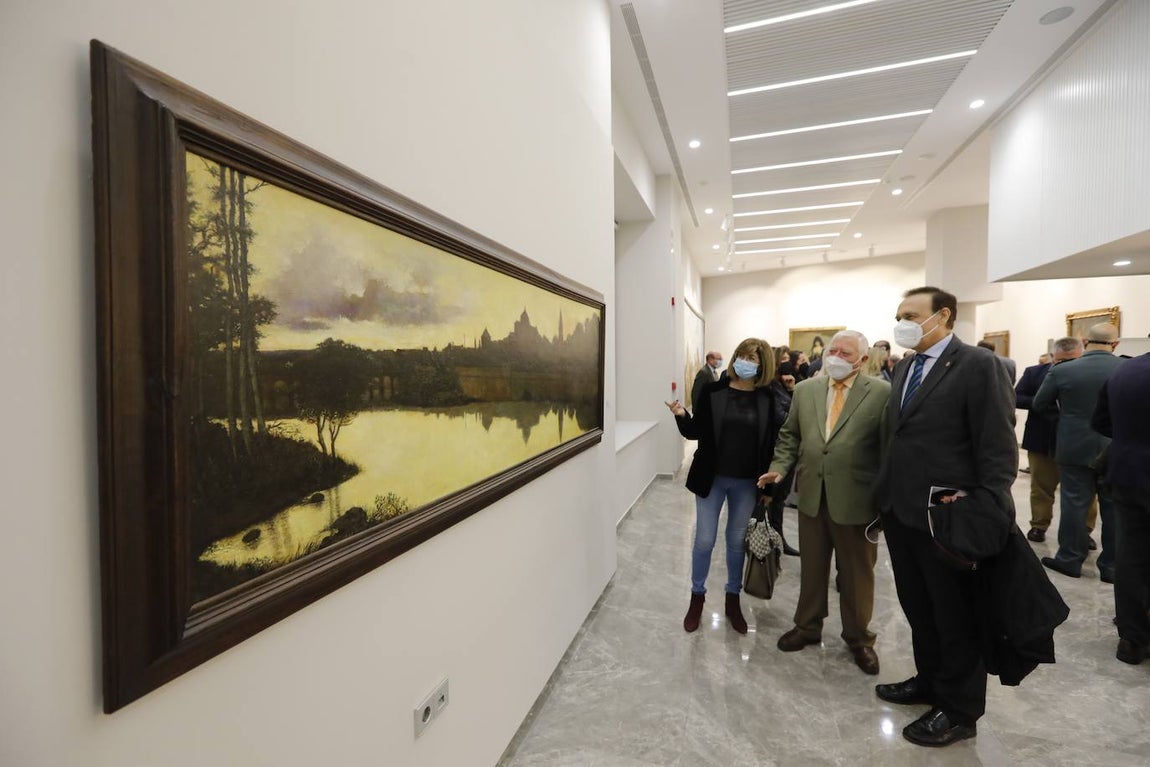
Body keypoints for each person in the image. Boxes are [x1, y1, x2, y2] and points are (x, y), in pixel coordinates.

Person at [873, 286, 1017, 747]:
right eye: (899, 315)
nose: (903, 323)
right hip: (902, 511)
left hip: (948, 515)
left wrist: (983, 503)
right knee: (920, 607)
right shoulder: (906, 366)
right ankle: (930, 681)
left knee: (956, 614)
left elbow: (997, 444)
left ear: (944, 316)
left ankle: (959, 710)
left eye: (912, 315)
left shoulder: (978, 365)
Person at [758, 330, 890, 675]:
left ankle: (859, 639)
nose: (836, 357)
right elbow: (790, 436)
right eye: (833, 350)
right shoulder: (806, 390)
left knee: (857, 575)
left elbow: (890, 448)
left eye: (846, 353)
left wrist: (886, 500)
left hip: (858, 501)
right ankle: (807, 626)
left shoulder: (881, 394)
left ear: (863, 360)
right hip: (812, 497)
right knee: (813, 569)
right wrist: (779, 468)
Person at [665, 338, 777, 635]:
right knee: (704, 540)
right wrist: (681, 416)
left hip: (747, 482)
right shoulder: (713, 391)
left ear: (763, 364)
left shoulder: (767, 397)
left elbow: (771, 444)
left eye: (752, 358)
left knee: (736, 541)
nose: (744, 362)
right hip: (711, 478)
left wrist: (768, 490)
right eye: (741, 355)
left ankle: (732, 598)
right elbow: (695, 431)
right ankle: (697, 597)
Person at [1033, 323, 1124, 582]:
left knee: (1074, 503)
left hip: (1073, 445)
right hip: (1114, 447)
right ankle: (1112, 566)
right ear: (1115, 344)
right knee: (1113, 508)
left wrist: (1065, 421)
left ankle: (1070, 559)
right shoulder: (1126, 368)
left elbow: (1040, 404)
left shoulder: (1064, 370)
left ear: (1084, 342)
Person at [1092, 348, 1150, 664]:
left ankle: (1131, 638)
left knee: (1131, 556)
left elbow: (1101, 421)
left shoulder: (1125, 370)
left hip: (1128, 473)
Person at [1015, 338, 1084, 542]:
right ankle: (1039, 525)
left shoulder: (1087, 374)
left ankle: (1084, 531)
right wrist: (1043, 401)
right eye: (1061, 361)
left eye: (1072, 361)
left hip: (1078, 441)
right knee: (1041, 487)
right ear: (1053, 356)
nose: (1066, 366)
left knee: (1083, 491)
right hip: (1042, 438)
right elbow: (1017, 397)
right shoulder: (1034, 373)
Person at [765, 362, 800, 556]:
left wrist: (792, 389)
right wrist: (800, 421)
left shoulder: (784, 389)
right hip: (775, 451)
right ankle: (766, 543)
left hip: (787, 450)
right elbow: (781, 418)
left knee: (779, 499)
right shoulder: (770, 389)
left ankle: (778, 541)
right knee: (769, 498)